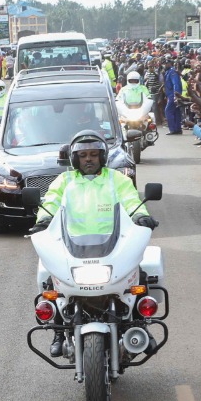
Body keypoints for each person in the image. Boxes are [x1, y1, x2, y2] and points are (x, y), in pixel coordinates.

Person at [30, 130, 155, 358]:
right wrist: (43, 220)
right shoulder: (64, 181)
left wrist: (141, 216)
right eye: (84, 155)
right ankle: (58, 332)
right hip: (73, 248)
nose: (89, 159)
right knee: (51, 283)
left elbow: (131, 201)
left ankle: (141, 325)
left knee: (139, 276)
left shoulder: (116, 179)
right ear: (75, 159)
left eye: (94, 154)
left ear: (102, 157)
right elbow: (50, 203)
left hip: (113, 247)